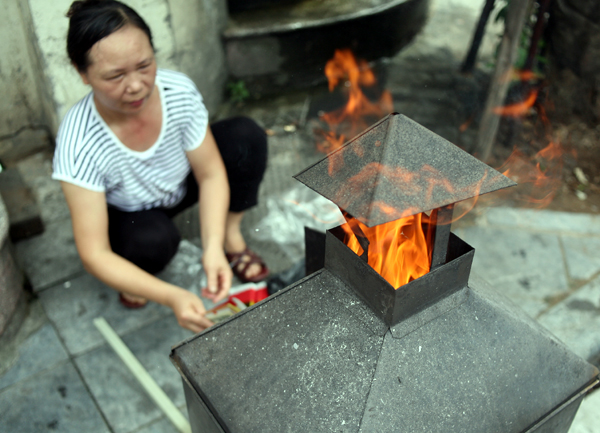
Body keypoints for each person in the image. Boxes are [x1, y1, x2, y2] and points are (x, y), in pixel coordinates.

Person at [53, 0, 269, 333]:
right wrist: (173, 297)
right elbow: (93, 253)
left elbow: (210, 174)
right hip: (131, 212)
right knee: (151, 242)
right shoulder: (78, 141)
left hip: (178, 184)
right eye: (115, 75)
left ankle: (229, 237)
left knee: (245, 137)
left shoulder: (176, 92)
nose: (137, 85)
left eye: (144, 65)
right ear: (81, 73)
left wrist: (210, 248)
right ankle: (133, 276)